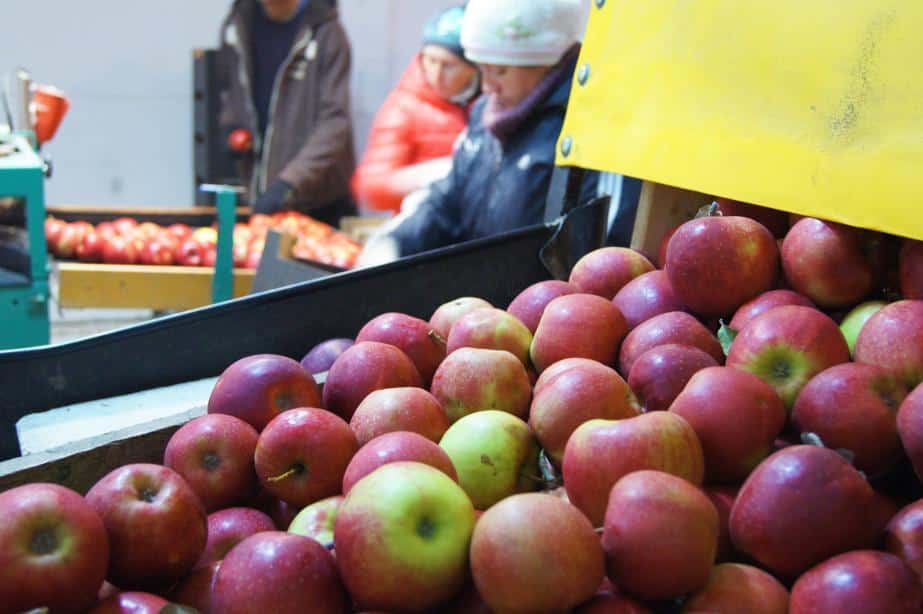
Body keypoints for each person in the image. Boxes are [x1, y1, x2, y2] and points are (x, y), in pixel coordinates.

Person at [359, 0, 598, 263]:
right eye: (480, 69)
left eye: (500, 71)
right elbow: (448, 204)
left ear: (550, 63)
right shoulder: (486, 114)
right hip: (475, 291)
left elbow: (585, 247)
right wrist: (398, 240)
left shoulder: (578, 130)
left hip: (533, 298)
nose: (486, 87)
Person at [218, 0, 357, 226]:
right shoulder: (237, 25)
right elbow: (229, 92)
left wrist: (289, 183)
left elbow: (335, 123)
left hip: (317, 204)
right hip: (261, 198)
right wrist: (232, 128)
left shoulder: (326, 33)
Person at [350, 5, 480, 215]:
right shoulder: (404, 107)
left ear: (473, 68)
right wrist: (426, 176)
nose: (435, 74)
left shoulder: (493, 102)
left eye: (449, 65)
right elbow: (370, 186)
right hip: (422, 227)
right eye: (429, 60)